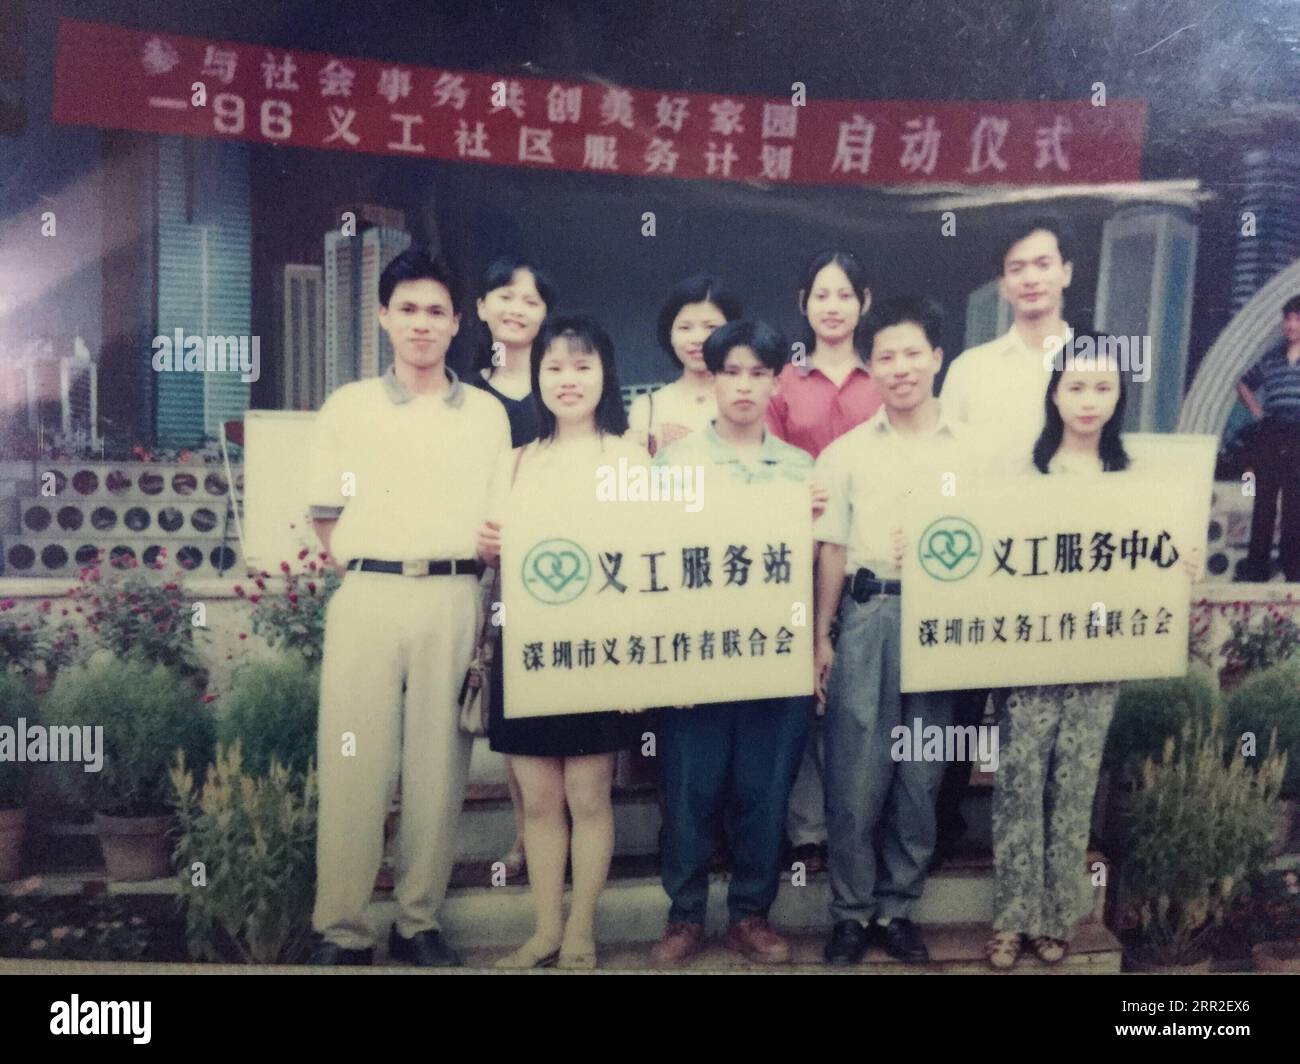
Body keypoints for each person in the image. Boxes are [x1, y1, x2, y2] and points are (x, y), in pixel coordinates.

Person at [307, 247, 511, 967]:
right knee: (353, 761)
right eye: (408, 310)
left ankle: (417, 921)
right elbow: (326, 517)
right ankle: (342, 928)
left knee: (437, 768)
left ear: (458, 323)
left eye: (436, 312)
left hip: (453, 597)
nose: (421, 324)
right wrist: (376, 557)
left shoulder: (486, 416)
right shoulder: (348, 407)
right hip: (368, 597)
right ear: (383, 317)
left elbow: (500, 522)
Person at [984, 340, 1201, 969]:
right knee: (1019, 782)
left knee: (1075, 786)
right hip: (1026, 656)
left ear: (1118, 397)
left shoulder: (1134, 483)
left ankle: (1056, 919)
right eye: (1076, 387)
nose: (1088, 401)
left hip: (1098, 659)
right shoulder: (1022, 475)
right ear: (1054, 393)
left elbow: (1156, 560)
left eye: (1102, 388)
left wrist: (1178, 566)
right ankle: (1010, 920)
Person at [648, 319, 819, 968]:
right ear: (711, 379)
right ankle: (685, 916)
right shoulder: (676, 464)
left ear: (776, 381)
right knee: (690, 791)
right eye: (732, 372)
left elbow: (813, 559)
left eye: (758, 373)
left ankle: (751, 914)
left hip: (776, 656)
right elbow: (652, 563)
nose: (745, 385)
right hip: (698, 657)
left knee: (764, 790)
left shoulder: (801, 469)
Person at [478, 314, 643, 971]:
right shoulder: (515, 461)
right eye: (554, 366)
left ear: (605, 375)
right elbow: (492, 554)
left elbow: (647, 565)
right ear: (536, 376)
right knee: (541, 803)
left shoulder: (629, 458)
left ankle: (581, 930)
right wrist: (485, 544)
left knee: (588, 795)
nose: (567, 379)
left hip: (598, 652)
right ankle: (544, 929)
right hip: (525, 650)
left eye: (582, 365)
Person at [815, 296, 962, 966]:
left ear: (937, 357)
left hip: (943, 623)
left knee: (921, 775)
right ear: (870, 368)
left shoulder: (976, 451)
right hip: (868, 617)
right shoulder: (843, 454)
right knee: (854, 774)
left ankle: (898, 908)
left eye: (913, 353)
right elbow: (833, 552)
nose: (900, 368)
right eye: (886, 357)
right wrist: (821, 634)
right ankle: (849, 913)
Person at [932, 215, 1076, 867]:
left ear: (1066, 272)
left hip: (1059, 573)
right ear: (1003, 281)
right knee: (958, 710)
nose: (1030, 278)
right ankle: (939, 834)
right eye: (1017, 267)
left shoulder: (1097, 361)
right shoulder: (970, 370)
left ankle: (1032, 856)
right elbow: (943, 468)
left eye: (1042, 263)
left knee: (1040, 721)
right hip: (975, 568)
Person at [767, 249, 882, 876]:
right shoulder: (782, 384)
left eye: (844, 295)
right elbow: (766, 466)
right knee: (802, 691)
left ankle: (859, 825)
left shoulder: (885, 377)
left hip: (869, 560)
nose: (832, 307)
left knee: (859, 699)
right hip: (799, 557)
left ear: (863, 303)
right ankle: (808, 828)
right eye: (821, 295)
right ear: (803, 303)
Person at [471, 256, 558, 882]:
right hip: (489, 574)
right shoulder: (466, 396)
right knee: (511, 709)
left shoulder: (563, 388)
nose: (517, 308)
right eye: (504, 295)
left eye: (530, 299)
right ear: (480, 308)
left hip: (562, 576)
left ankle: (565, 835)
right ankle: (524, 836)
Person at [627, 274, 742, 456]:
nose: (698, 339)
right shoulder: (647, 407)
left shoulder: (753, 399)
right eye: (685, 328)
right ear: (669, 334)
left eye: (711, 327)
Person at [1235, 294, 1300, 582]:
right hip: (1272, 432)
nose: (1290, 325)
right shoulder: (1272, 358)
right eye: (1287, 319)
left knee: (1295, 503)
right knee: (1264, 501)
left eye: (1297, 319)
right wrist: (1258, 412)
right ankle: (1257, 567)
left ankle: (1293, 567)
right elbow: (1243, 383)